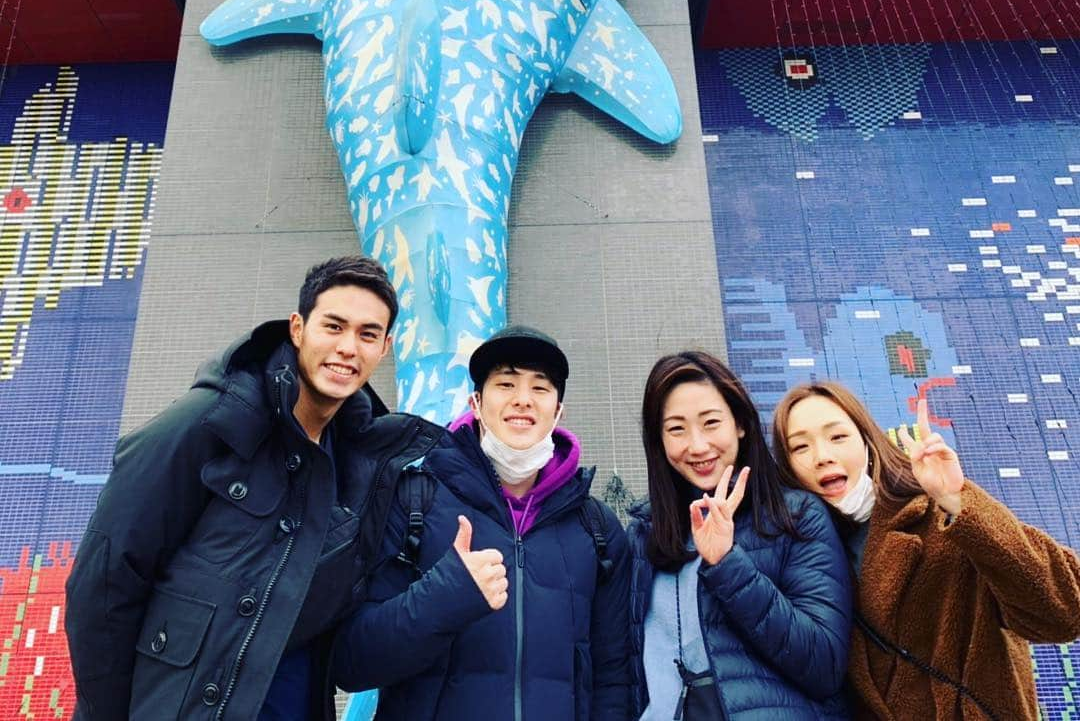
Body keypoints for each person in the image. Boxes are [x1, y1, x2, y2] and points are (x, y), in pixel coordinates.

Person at [65, 255, 442, 721]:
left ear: (384, 348)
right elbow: (104, 581)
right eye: (334, 326)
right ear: (298, 329)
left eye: (367, 334)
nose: (348, 347)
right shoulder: (210, 422)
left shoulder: (362, 470)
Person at [331, 324, 632, 719]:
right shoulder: (413, 502)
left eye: (540, 388)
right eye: (505, 384)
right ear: (475, 402)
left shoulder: (597, 530)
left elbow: (613, 678)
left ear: (558, 411)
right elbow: (352, 662)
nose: (523, 400)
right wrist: (445, 595)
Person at [773, 383, 1080, 720]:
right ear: (787, 468)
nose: (822, 456)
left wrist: (959, 501)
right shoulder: (796, 561)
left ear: (868, 443)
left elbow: (1065, 614)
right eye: (800, 447)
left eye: (838, 437)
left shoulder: (940, 517)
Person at [629, 351, 852, 720]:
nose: (697, 446)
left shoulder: (795, 516)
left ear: (740, 424)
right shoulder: (643, 535)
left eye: (711, 422)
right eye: (676, 429)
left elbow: (824, 664)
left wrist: (728, 563)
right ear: (659, 441)